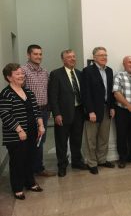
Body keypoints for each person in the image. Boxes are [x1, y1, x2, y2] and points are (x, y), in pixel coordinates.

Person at [0, 63, 45, 200]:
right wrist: (19, 130)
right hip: (15, 135)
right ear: (9, 77)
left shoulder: (28, 92)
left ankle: (30, 182)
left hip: (32, 131)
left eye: (22, 73)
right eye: (17, 74)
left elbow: (36, 110)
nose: (21, 76)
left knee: (30, 158)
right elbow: (5, 114)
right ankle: (18, 188)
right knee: (17, 161)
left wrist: (41, 125)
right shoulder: (6, 93)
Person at [48, 49, 87, 177]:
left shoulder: (80, 74)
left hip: (79, 111)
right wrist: (56, 114)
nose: (72, 59)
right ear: (63, 59)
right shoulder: (56, 74)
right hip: (63, 114)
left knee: (77, 139)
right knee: (61, 141)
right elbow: (53, 96)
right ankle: (62, 165)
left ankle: (76, 161)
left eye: (74, 56)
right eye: (69, 57)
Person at [21, 44, 56, 177]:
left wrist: (50, 109)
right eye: (35, 54)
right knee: (30, 141)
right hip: (30, 112)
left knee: (40, 140)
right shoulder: (23, 71)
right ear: (28, 55)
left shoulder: (44, 72)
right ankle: (29, 170)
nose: (38, 56)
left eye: (40, 54)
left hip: (44, 111)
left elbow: (48, 91)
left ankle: (38, 168)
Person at [81, 47, 115, 175]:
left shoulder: (109, 71)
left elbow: (111, 91)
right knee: (91, 139)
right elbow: (86, 93)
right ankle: (92, 163)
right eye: (101, 55)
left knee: (104, 137)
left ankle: (102, 160)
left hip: (106, 109)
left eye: (105, 55)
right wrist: (90, 111)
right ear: (94, 57)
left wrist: (112, 107)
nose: (104, 57)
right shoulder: (87, 71)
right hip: (93, 111)